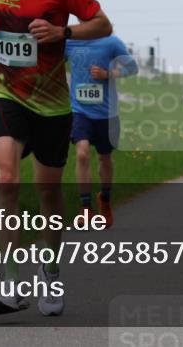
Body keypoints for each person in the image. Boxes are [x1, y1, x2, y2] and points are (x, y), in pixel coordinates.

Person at [0, 0, 112, 317]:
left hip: (51, 104)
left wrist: (62, 32)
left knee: (48, 193)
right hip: (5, 93)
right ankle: (11, 282)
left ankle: (49, 272)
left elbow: (101, 23)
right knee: (7, 179)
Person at [65, 35, 138, 229]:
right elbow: (52, 63)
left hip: (107, 113)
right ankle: (85, 207)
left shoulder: (111, 42)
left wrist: (108, 74)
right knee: (82, 154)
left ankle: (104, 200)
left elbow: (133, 68)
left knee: (104, 158)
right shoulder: (69, 41)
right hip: (79, 111)